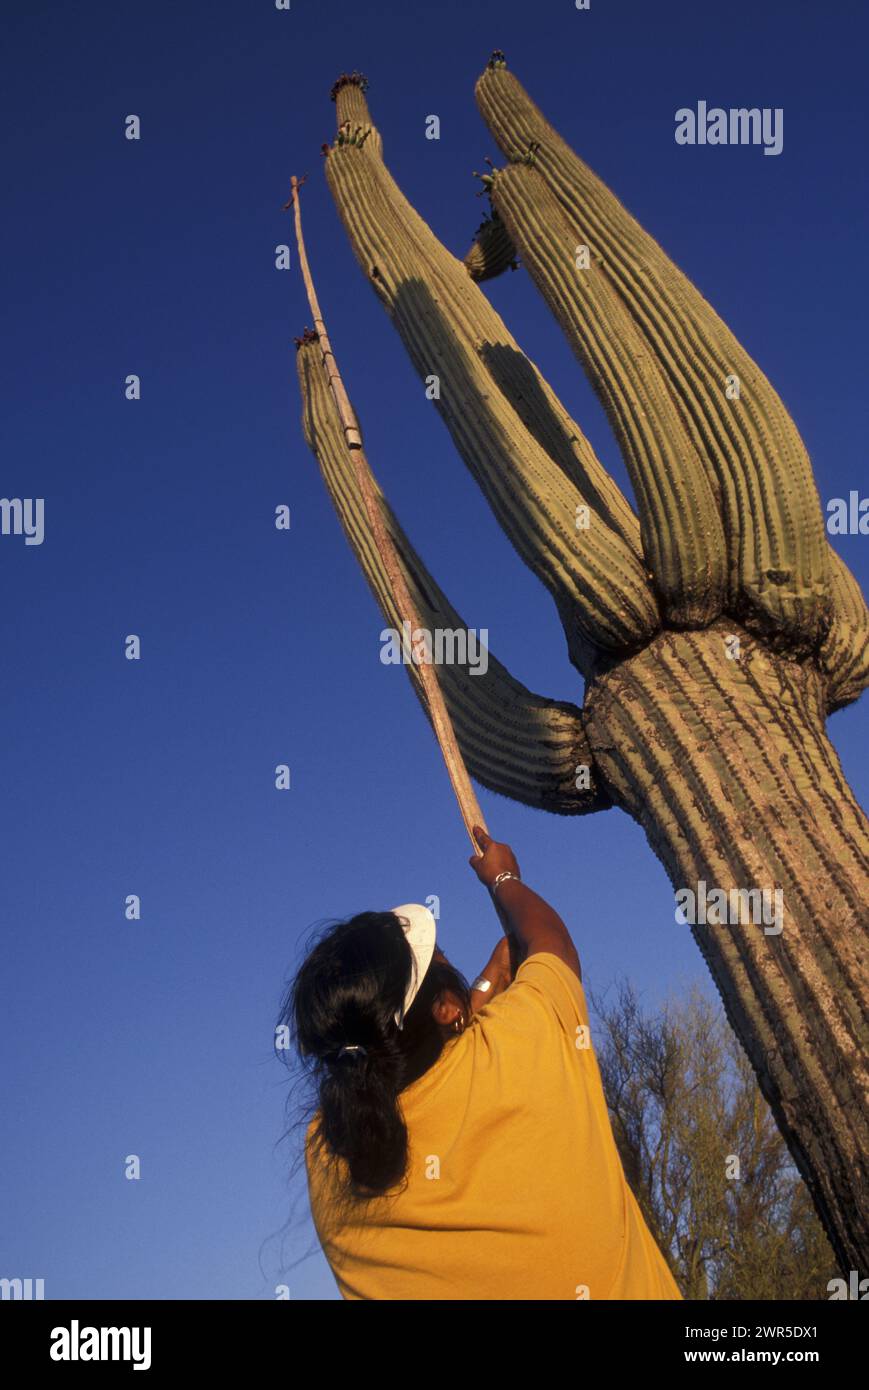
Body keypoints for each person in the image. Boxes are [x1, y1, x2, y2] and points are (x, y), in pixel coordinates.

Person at [284, 827, 683, 1300]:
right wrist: (504, 878)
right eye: (440, 958)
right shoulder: (521, 1043)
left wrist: (488, 981)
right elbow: (553, 945)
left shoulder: (329, 1151)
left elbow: (406, 1056)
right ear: (446, 1008)